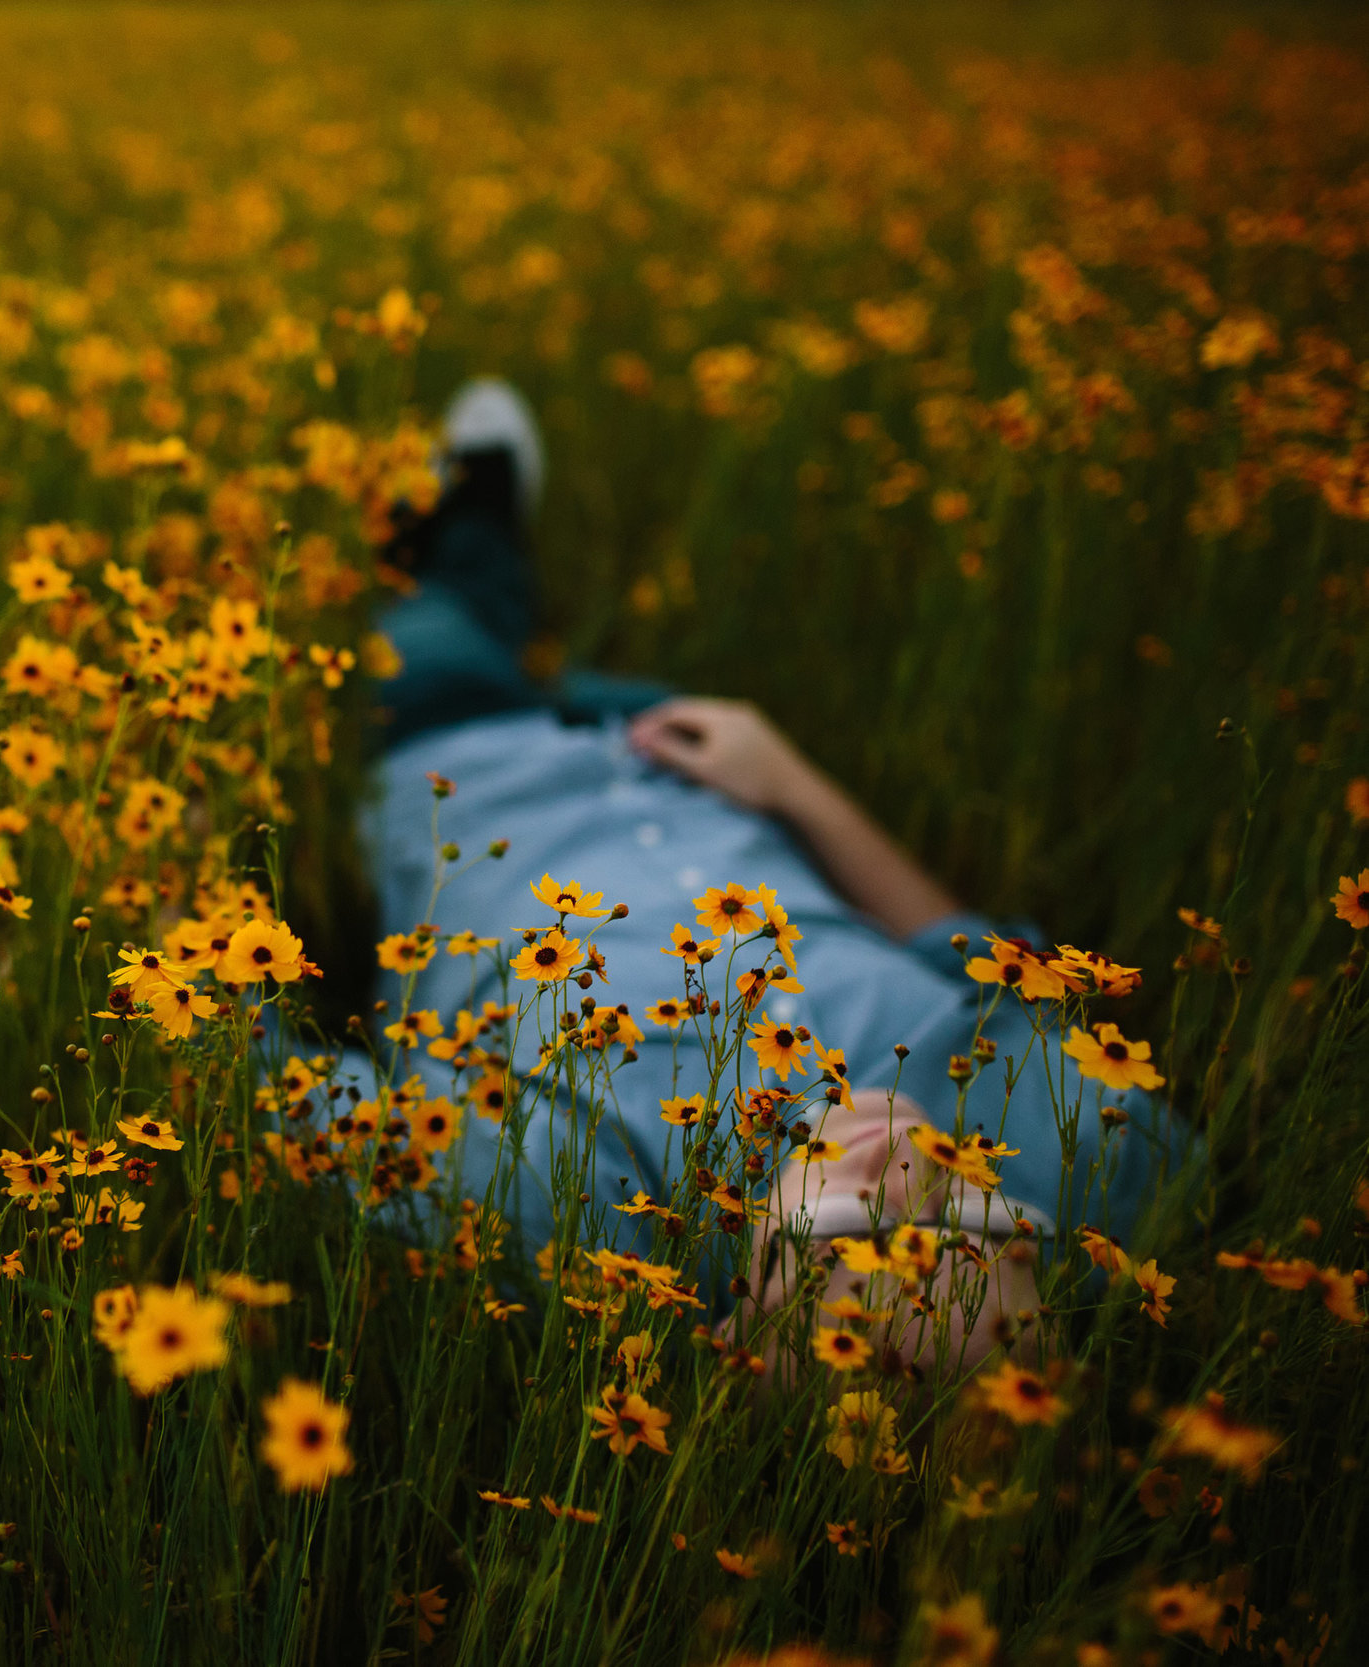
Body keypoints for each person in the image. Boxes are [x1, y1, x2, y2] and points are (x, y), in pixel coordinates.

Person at [352, 378, 1191, 1371]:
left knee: (435, 622)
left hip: (466, 765)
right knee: (591, 640)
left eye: (849, 1232)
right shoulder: (1111, 1172)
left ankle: (463, 539)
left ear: (734, 1334)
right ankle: (498, 580)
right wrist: (795, 782)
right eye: (975, 1221)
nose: (907, 1170)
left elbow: (257, 1067)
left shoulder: (550, 1215)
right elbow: (982, 961)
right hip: (699, 758)